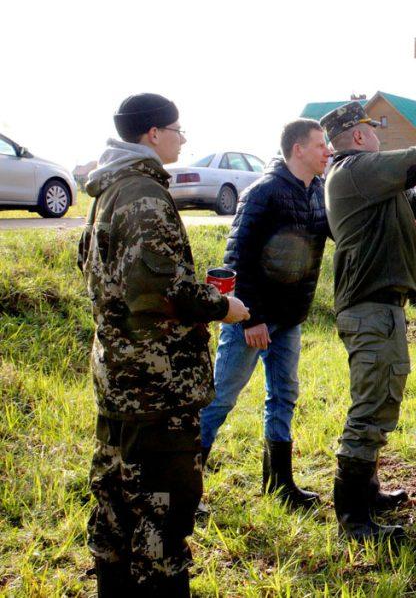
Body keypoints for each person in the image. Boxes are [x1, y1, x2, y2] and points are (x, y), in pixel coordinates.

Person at [78, 93, 249, 596]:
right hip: (157, 389)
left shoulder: (109, 192)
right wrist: (224, 307)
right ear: (152, 134)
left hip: (120, 382)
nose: (181, 139)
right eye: (177, 130)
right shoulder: (143, 196)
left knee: (114, 504)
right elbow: (161, 290)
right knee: (163, 508)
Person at [323, 101, 416, 540]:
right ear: (360, 136)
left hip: (377, 307)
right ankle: (352, 516)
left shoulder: (367, 180)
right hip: (370, 308)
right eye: (372, 126)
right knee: (371, 407)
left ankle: (367, 492)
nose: (377, 132)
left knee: (380, 399)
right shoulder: (355, 170)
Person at [198, 119, 332, 510]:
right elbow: (236, 258)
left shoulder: (318, 192)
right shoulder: (262, 193)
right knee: (221, 397)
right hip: (252, 319)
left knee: (283, 396)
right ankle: (185, 488)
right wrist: (251, 319)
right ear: (298, 150)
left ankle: (279, 485)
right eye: (320, 144)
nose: (326, 151)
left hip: (290, 318)